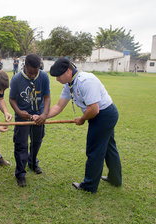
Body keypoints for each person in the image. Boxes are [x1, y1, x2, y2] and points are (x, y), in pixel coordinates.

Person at [48, 57, 122, 193]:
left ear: (69, 71)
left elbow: (94, 109)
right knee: (109, 147)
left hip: (104, 115)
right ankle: (115, 179)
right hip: (100, 115)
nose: (57, 79)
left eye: (58, 76)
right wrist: (43, 116)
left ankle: (89, 186)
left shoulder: (86, 81)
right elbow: (58, 106)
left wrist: (82, 119)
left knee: (94, 150)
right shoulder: (69, 84)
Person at [9, 54, 50, 187]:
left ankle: (32, 163)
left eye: (35, 72)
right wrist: (19, 112)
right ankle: (20, 173)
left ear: (39, 68)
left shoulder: (43, 77)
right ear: (24, 66)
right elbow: (12, 99)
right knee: (21, 144)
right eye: (30, 72)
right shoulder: (16, 79)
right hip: (22, 117)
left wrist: (44, 114)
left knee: (37, 140)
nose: (32, 75)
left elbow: (47, 97)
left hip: (39, 116)